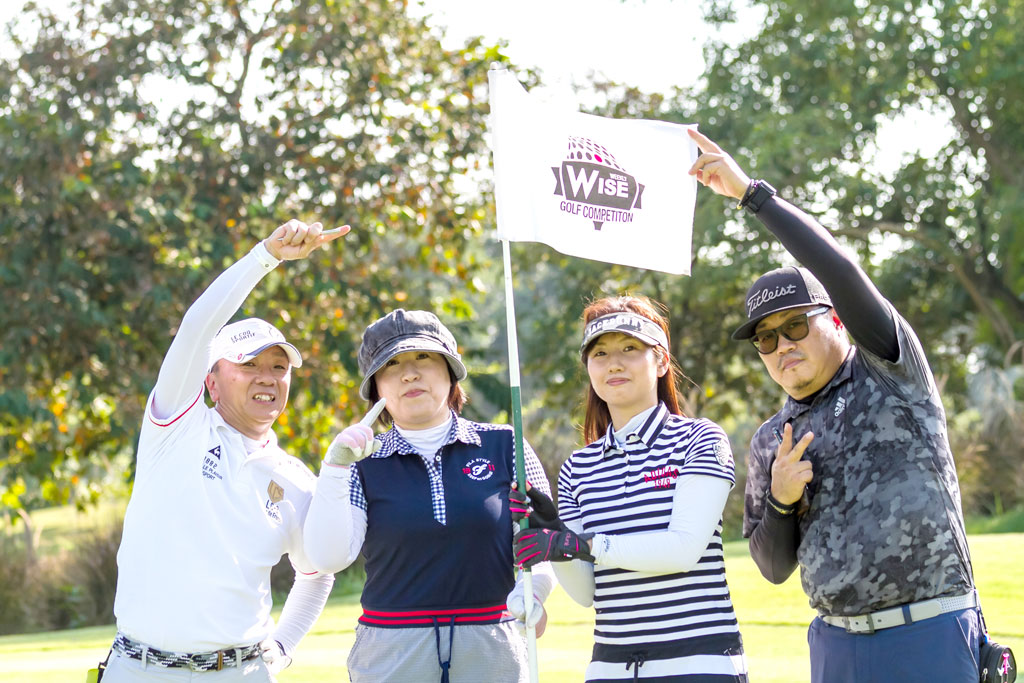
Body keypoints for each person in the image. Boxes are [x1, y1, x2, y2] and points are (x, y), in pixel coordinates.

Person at [688, 128, 981, 682]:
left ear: (838, 320)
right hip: (835, 646)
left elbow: (841, 272)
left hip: (929, 634)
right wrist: (780, 501)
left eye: (796, 325)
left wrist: (752, 195)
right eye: (766, 338)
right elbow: (772, 567)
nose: (782, 345)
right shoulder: (772, 439)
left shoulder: (888, 368)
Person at [103, 220, 345, 681]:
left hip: (242, 671)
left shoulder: (295, 478)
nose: (267, 377)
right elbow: (198, 327)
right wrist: (265, 256)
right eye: (248, 364)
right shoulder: (178, 425)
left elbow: (316, 574)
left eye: (279, 367)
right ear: (210, 382)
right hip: (140, 668)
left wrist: (283, 646)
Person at [303, 309, 555, 683]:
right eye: (391, 364)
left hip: (491, 644)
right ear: (376, 387)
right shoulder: (359, 461)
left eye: (423, 357)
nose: (409, 374)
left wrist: (534, 593)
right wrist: (334, 467)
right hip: (392, 651)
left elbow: (544, 543)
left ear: (450, 371)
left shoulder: (506, 444)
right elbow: (328, 557)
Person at [514, 295, 748, 682]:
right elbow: (586, 593)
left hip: (699, 663)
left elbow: (684, 549)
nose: (614, 363)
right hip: (610, 667)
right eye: (600, 353)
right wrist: (553, 536)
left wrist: (584, 544)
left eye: (629, 348)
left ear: (661, 361)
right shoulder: (577, 468)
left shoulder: (700, 439)